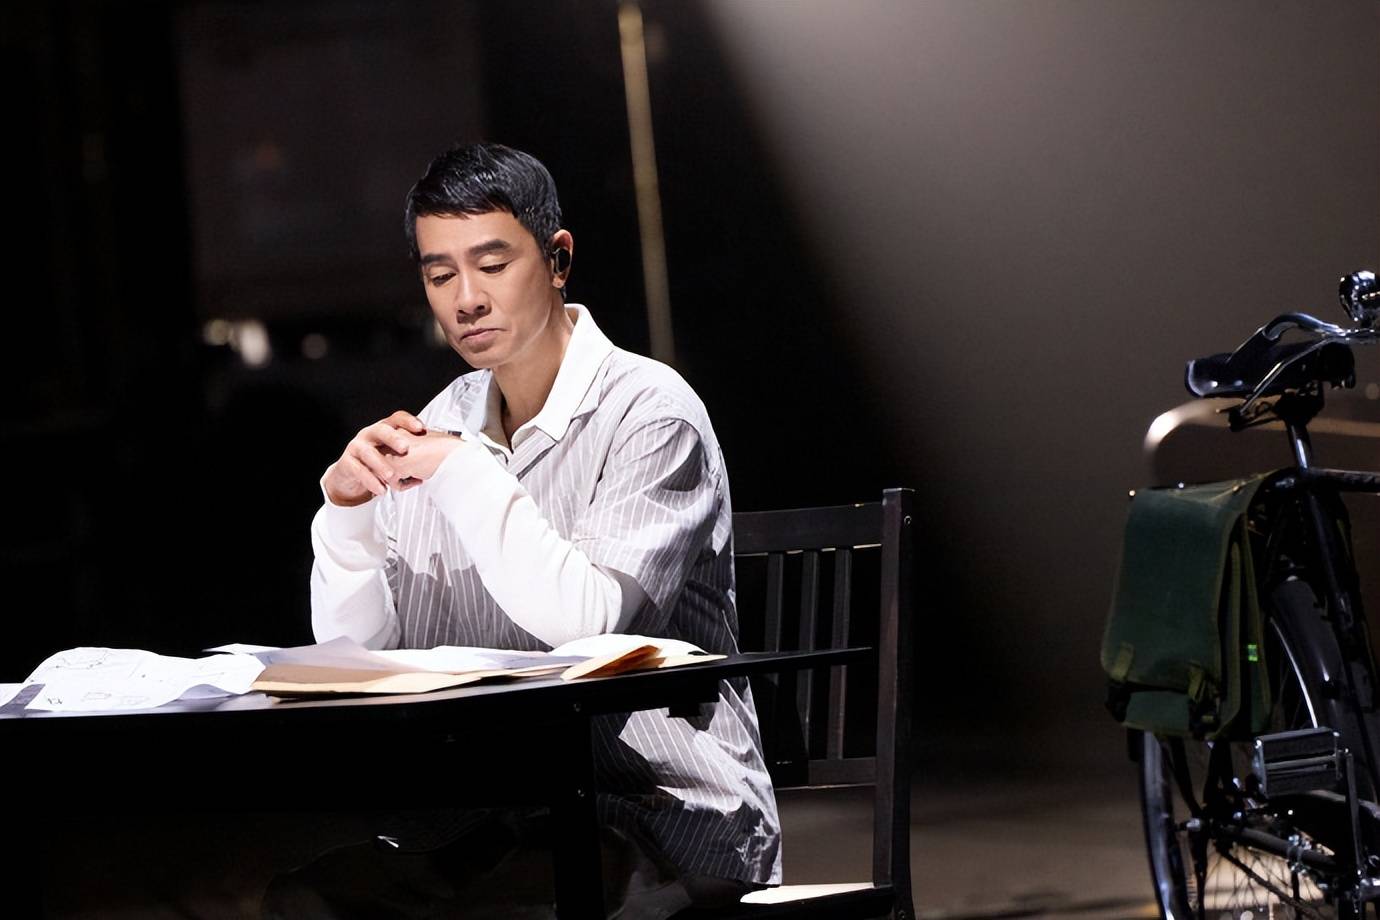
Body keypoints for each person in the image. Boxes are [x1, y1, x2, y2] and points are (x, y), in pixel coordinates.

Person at [296, 142, 781, 917]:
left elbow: (588, 624)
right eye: (439, 275)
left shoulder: (650, 413)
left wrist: (464, 473)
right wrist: (348, 516)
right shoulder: (442, 419)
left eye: (492, 264)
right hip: (492, 819)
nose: (467, 299)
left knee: (497, 906)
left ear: (558, 260)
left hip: (658, 815)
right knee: (309, 899)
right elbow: (357, 654)